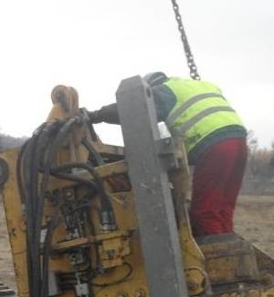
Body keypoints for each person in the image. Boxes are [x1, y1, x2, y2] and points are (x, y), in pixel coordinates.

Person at [89, 72, 248, 237]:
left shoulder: (165, 91)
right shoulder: (197, 86)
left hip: (216, 146)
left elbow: (132, 107)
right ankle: (232, 249)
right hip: (239, 142)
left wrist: (95, 116)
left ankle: (217, 258)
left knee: (204, 212)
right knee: (223, 208)